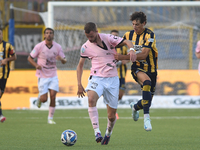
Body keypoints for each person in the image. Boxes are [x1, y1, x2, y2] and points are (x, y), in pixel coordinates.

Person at [77, 22, 136, 145]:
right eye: (87, 37)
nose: (90, 39)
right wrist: (79, 83)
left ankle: (108, 133)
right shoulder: (85, 47)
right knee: (91, 98)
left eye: (92, 36)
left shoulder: (108, 38)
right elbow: (80, 65)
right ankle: (96, 131)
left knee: (111, 116)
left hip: (113, 79)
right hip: (96, 78)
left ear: (97, 31)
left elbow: (127, 42)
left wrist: (131, 50)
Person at [114, 11, 158, 131]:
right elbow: (116, 44)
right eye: (133, 24)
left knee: (147, 100)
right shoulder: (128, 35)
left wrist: (122, 57)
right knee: (147, 83)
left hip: (151, 69)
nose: (134, 27)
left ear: (143, 23)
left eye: (137, 24)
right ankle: (147, 118)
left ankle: (134, 107)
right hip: (137, 68)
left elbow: (144, 54)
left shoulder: (150, 34)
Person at [28, 27, 67, 124]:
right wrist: (36, 65)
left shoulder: (58, 47)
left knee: (53, 96)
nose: (49, 34)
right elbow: (30, 58)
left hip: (53, 75)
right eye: (47, 33)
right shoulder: (39, 46)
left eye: (50, 33)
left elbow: (64, 60)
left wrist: (62, 59)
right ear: (44, 35)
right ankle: (40, 98)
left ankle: (50, 118)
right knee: (44, 99)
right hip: (42, 75)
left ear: (53, 35)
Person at [110, 30, 129, 119]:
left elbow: (127, 58)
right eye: (113, 35)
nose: (114, 37)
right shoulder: (107, 46)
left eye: (116, 36)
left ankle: (113, 109)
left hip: (121, 74)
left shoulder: (123, 47)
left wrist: (122, 61)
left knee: (120, 95)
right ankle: (113, 112)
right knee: (112, 95)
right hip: (110, 75)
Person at [0, 28, 17, 123]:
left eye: (0, 34)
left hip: (3, 75)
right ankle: (0, 115)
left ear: (2, 35)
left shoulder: (7, 45)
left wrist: (6, 60)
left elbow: (14, 56)